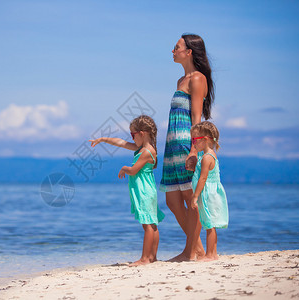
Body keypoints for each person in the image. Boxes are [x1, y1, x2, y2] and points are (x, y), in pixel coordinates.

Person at [159, 33, 215, 261]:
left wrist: (194, 149)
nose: (173, 51)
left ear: (189, 51)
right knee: (172, 200)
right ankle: (197, 249)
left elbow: (196, 117)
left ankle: (190, 251)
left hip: (185, 141)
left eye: (176, 47)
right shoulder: (180, 81)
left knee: (190, 197)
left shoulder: (197, 79)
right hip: (172, 143)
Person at [89, 115, 165, 266]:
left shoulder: (146, 152)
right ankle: (152, 257)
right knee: (152, 224)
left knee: (148, 225)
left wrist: (124, 168)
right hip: (146, 190)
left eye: (133, 134)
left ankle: (145, 258)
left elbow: (133, 170)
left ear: (142, 134)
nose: (131, 138)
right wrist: (102, 139)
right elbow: (121, 143)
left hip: (144, 191)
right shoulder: (143, 148)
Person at [190, 121, 228, 261]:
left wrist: (195, 196)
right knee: (209, 223)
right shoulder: (207, 155)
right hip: (209, 193)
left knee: (209, 224)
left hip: (207, 194)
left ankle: (211, 254)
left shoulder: (207, 157)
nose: (193, 143)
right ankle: (212, 253)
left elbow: (203, 178)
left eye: (195, 140)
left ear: (205, 139)